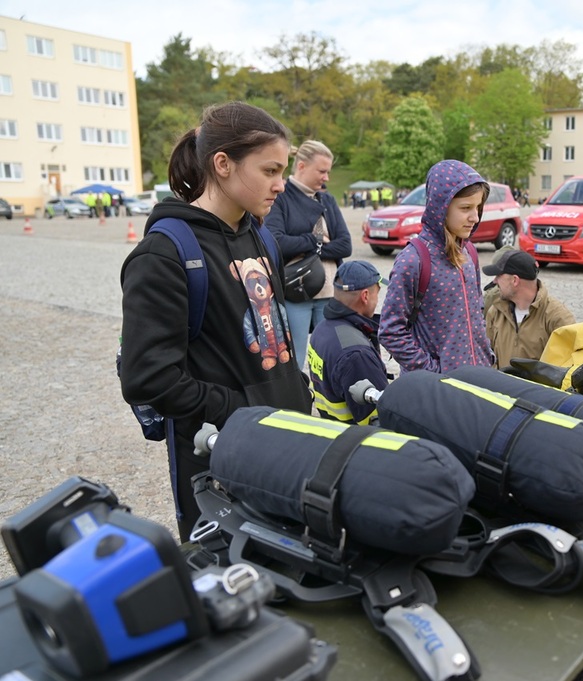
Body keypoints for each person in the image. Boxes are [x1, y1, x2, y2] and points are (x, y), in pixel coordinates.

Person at [120, 101, 312, 540]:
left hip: (289, 444)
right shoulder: (164, 255)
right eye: (270, 171)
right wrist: (243, 412)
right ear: (222, 164)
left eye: (283, 172)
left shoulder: (261, 236)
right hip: (220, 468)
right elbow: (148, 379)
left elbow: (271, 337)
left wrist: (297, 393)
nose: (281, 185)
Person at [379, 160, 493, 373]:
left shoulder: (470, 253)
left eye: (478, 207)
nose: (475, 217)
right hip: (437, 389)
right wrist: (432, 370)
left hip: (478, 378)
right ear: (440, 207)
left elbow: (477, 310)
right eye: (466, 208)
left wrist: (487, 354)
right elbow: (390, 332)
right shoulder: (413, 260)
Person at [265, 140, 352, 365]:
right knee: (295, 359)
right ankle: (298, 401)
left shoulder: (327, 199)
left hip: (329, 292)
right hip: (296, 292)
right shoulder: (281, 197)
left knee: (328, 358)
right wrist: (314, 240)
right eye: (322, 171)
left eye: (328, 172)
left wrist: (309, 247)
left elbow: (345, 245)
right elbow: (276, 242)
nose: (327, 178)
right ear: (302, 166)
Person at [308, 260, 390, 425]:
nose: (377, 299)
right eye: (377, 292)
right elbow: (381, 419)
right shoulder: (357, 355)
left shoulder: (322, 329)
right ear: (365, 296)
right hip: (356, 441)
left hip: (334, 430)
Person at [483, 248, 575, 368]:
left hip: (537, 387)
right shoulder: (495, 312)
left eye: (499, 276)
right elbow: (488, 358)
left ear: (514, 280)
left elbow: (568, 368)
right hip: (501, 386)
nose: (495, 281)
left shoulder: (557, 317)